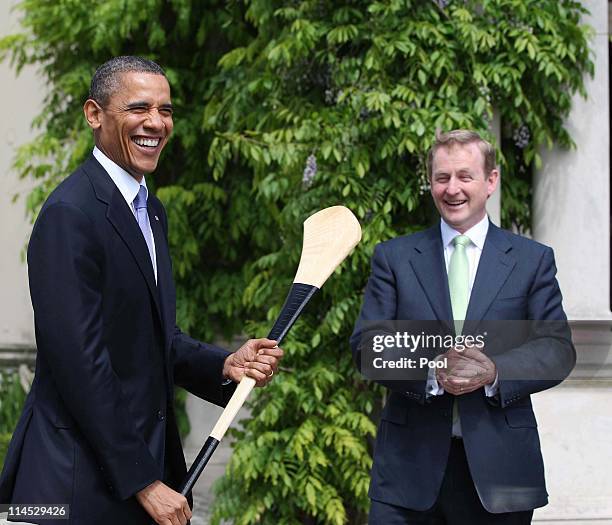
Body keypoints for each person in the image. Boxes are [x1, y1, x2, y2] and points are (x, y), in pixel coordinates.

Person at [0, 56, 283, 525]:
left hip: (132, 477)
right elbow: (80, 365)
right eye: (139, 108)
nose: (157, 122)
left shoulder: (150, 211)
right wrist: (146, 483)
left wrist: (225, 364)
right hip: (73, 489)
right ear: (95, 115)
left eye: (166, 110)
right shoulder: (70, 214)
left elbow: (154, 339)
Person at [351, 129, 575, 524]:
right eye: (442, 177)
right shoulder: (394, 257)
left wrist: (494, 371)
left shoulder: (532, 260)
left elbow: (557, 349)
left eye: (464, 176)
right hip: (407, 471)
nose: (452, 188)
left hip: (501, 473)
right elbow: (368, 348)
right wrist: (434, 370)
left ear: (491, 181)